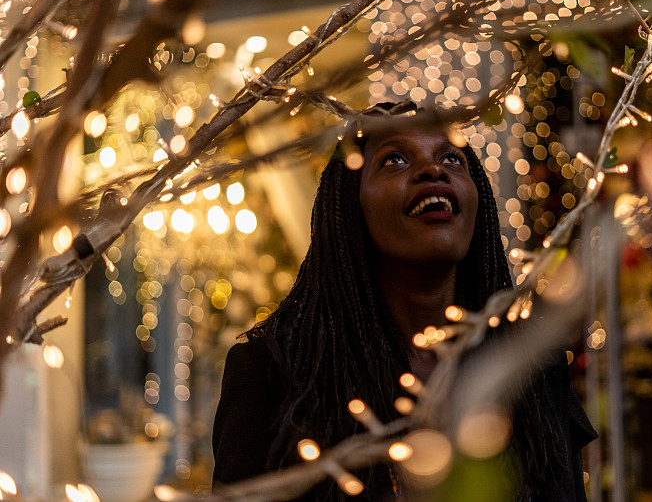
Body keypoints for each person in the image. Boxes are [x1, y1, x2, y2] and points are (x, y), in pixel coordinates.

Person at [212, 102, 596, 501]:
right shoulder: (272, 372)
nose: (434, 170)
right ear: (348, 207)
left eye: (452, 158)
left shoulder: (533, 365)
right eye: (394, 159)